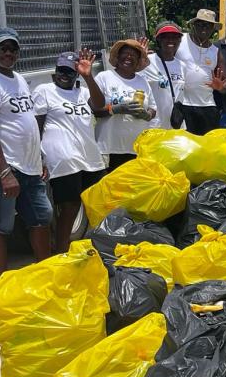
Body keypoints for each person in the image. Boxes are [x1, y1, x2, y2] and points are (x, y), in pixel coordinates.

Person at [0, 27, 52, 278]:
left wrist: (38, 159)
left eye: (13, 48)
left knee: (41, 217)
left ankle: (46, 276)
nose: (8, 53)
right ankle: (2, 285)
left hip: (28, 165)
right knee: (0, 226)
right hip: (0, 168)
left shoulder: (17, 78)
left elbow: (25, 122)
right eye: (2, 48)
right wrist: (4, 173)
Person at [33, 49, 106, 252]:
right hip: (63, 160)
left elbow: (100, 105)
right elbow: (36, 126)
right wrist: (38, 157)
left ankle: (93, 250)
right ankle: (61, 253)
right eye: (61, 70)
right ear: (55, 71)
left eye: (69, 72)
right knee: (69, 208)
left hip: (90, 158)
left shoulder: (82, 92)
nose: (64, 75)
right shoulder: (44, 90)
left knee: (97, 206)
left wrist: (88, 76)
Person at [94, 38, 158, 170]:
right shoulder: (104, 77)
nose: (129, 57)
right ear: (117, 57)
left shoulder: (142, 81)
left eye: (134, 55)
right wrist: (117, 109)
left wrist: (146, 114)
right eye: (125, 53)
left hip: (135, 149)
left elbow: (153, 108)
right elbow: (95, 110)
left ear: (138, 61)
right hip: (110, 147)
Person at [175, 8, 224, 134]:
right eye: (200, 24)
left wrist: (220, 87)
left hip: (207, 106)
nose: (204, 28)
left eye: (208, 25)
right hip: (182, 104)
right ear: (194, 25)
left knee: (207, 148)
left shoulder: (215, 51)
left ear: (213, 28)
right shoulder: (180, 40)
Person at [142, 21, 186, 130]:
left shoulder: (182, 66)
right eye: (165, 37)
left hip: (176, 125)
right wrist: (140, 59)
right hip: (154, 125)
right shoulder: (148, 62)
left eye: (175, 37)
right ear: (159, 40)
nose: (170, 40)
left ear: (179, 40)